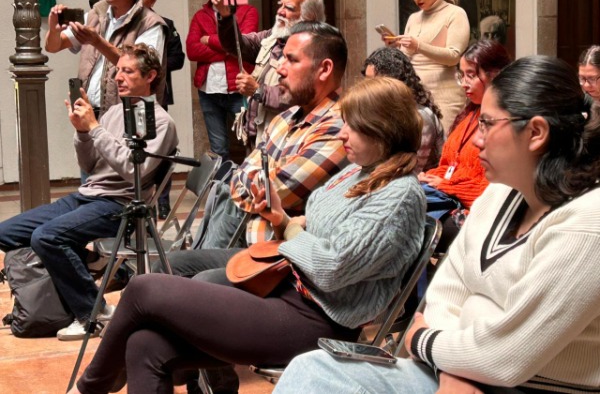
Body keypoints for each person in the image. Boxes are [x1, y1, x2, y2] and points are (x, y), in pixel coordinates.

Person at [67, 75, 426, 394]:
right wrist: (284, 220)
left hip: (319, 320)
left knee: (144, 288)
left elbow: (330, 268)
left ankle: (89, 389)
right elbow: (319, 238)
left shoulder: (399, 195)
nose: (343, 133)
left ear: (384, 131)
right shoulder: (360, 171)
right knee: (145, 345)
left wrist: (292, 230)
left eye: (354, 127)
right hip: (289, 290)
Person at [273, 55, 600, 394]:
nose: (477, 140)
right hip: (459, 369)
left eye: (487, 124)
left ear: (535, 133)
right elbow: (446, 292)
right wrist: (453, 369)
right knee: (312, 370)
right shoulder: (499, 194)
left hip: (528, 387)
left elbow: (506, 357)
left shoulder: (587, 223)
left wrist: (421, 341)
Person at [0, 43, 178, 341]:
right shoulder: (113, 113)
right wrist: (82, 132)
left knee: (47, 237)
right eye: (117, 71)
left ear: (150, 76)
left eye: (128, 71)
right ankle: (93, 264)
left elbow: (134, 171)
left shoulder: (160, 121)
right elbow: (89, 164)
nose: (118, 77)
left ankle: (92, 312)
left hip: (120, 204)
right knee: (6, 233)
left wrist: (94, 128)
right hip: (88, 195)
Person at [162, 22, 350, 278]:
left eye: (292, 60)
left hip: (284, 259)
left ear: (324, 69)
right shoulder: (285, 119)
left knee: (200, 280)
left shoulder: (338, 127)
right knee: (167, 266)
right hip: (249, 243)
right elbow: (242, 176)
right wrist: (254, 181)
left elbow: (276, 193)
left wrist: (252, 180)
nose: (279, 69)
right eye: (282, 58)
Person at [45, 0, 167, 117]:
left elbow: (140, 69)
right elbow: (53, 46)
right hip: (88, 111)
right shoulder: (95, 15)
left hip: (127, 114)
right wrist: (53, 30)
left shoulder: (150, 23)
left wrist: (97, 42)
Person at [215, 0, 325, 148]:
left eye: (288, 8)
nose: (280, 11)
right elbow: (236, 45)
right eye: (280, 5)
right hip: (259, 140)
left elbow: (302, 97)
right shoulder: (273, 38)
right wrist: (226, 17)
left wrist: (257, 90)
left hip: (284, 144)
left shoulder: (317, 48)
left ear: (309, 16)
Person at [418, 40, 511, 230]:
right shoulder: (468, 114)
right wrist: (428, 177)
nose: (464, 84)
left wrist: (446, 185)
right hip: (449, 197)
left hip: (473, 212)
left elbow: (496, 193)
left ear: (496, 75)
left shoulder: (507, 121)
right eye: (462, 75)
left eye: (471, 75)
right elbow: (449, 167)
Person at [187, 0, 259, 160]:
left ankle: (251, 179)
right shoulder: (200, 16)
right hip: (209, 91)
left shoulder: (248, 11)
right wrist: (228, 49)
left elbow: (243, 44)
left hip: (239, 88)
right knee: (218, 149)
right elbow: (192, 50)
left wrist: (209, 40)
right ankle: (223, 181)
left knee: (251, 143)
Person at [387, 0, 470, 132]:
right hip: (414, 94)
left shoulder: (455, 13)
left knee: (443, 143)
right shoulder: (413, 18)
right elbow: (406, 59)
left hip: (444, 95)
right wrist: (395, 45)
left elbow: (453, 56)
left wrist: (418, 45)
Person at [139, 0, 186, 219]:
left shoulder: (164, 25)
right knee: (136, 150)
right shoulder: (121, 24)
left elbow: (178, 59)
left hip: (156, 96)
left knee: (161, 150)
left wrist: (152, 64)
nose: (139, 0)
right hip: (126, 100)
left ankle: (163, 200)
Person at [363, 46, 444, 172]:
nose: (367, 87)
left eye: (374, 82)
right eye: (367, 81)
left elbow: (411, 170)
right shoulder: (380, 111)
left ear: (393, 82)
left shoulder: (421, 117)